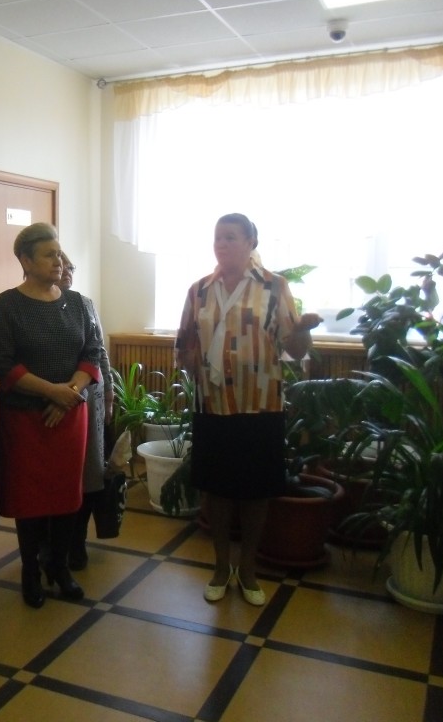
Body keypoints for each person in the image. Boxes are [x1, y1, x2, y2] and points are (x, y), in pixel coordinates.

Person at [175, 213, 321, 606]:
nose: (221, 244)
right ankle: (222, 567)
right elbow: (185, 346)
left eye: (230, 237)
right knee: (217, 490)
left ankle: (249, 570)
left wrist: (303, 330)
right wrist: (195, 363)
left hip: (260, 403)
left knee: (257, 491)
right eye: (217, 238)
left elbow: (295, 351)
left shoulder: (274, 286)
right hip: (212, 405)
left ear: (251, 242)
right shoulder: (199, 290)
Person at [0, 222, 102, 608]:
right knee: (30, 499)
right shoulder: (8, 304)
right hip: (25, 419)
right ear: (25, 260)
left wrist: (69, 393)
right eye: (49, 255)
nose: (59, 261)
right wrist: (52, 392)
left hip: (69, 416)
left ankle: (59, 566)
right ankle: (30, 571)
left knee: (67, 496)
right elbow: (3, 365)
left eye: (59, 254)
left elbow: (92, 352)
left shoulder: (77, 302)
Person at [57, 251, 113, 569]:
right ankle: (53, 545)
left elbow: (99, 352)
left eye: (71, 266)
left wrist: (110, 395)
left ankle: (77, 542)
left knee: (90, 474)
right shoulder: (34, 307)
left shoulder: (85, 303)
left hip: (91, 399)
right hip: (56, 399)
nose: (66, 271)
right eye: (60, 265)